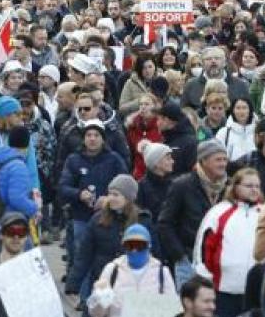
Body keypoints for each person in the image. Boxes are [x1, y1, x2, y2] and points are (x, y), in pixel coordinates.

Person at [60, 119, 130, 297]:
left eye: (96, 135)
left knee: (104, 260)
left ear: (103, 139)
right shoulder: (74, 160)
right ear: (83, 138)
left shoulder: (114, 159)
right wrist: (79, 194)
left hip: (108, 219)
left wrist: (110, 198)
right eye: (88, 135)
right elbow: (63, 186)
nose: (92, 139)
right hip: (81, 217)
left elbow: (126, 184)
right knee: (82, 257)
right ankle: (84, 298)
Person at [193, 167, 264, 317]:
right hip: (223, 292)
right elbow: (204, 248)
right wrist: (206, 280)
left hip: (255, 293)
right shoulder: (219, 212)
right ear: (236, 187)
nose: (254, 190)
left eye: (257, 186)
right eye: (249, 186)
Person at [160, 139, 231, 286]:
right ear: (203, 160)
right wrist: (180, 255)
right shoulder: (182, 186)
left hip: (221, 262)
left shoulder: (230, 188)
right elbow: (165, 223)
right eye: (218, 159)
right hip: (189, 261)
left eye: (225, 159)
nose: (223, 164)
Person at [77, 174, 146, 307]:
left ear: (128, 198)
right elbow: (84, 253)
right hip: (102, 280)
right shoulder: (97, 219)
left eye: (116, 195)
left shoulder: (142, 220)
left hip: (130, 284)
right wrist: (74, 283)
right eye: (110, 194)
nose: (111, 198)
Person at [87, 224, 177, 317]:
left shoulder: (162, 272)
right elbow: (96, 313)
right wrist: (99, 297)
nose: (134, 250)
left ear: (149, 246)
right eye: (130, 245)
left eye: (140, 245)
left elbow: (172, 312)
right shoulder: (112, 270)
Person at [136, 140, 174, 221]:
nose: (172, 161)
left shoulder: (173, 184)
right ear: (157, 163)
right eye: (168, 159)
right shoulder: (141, 187)